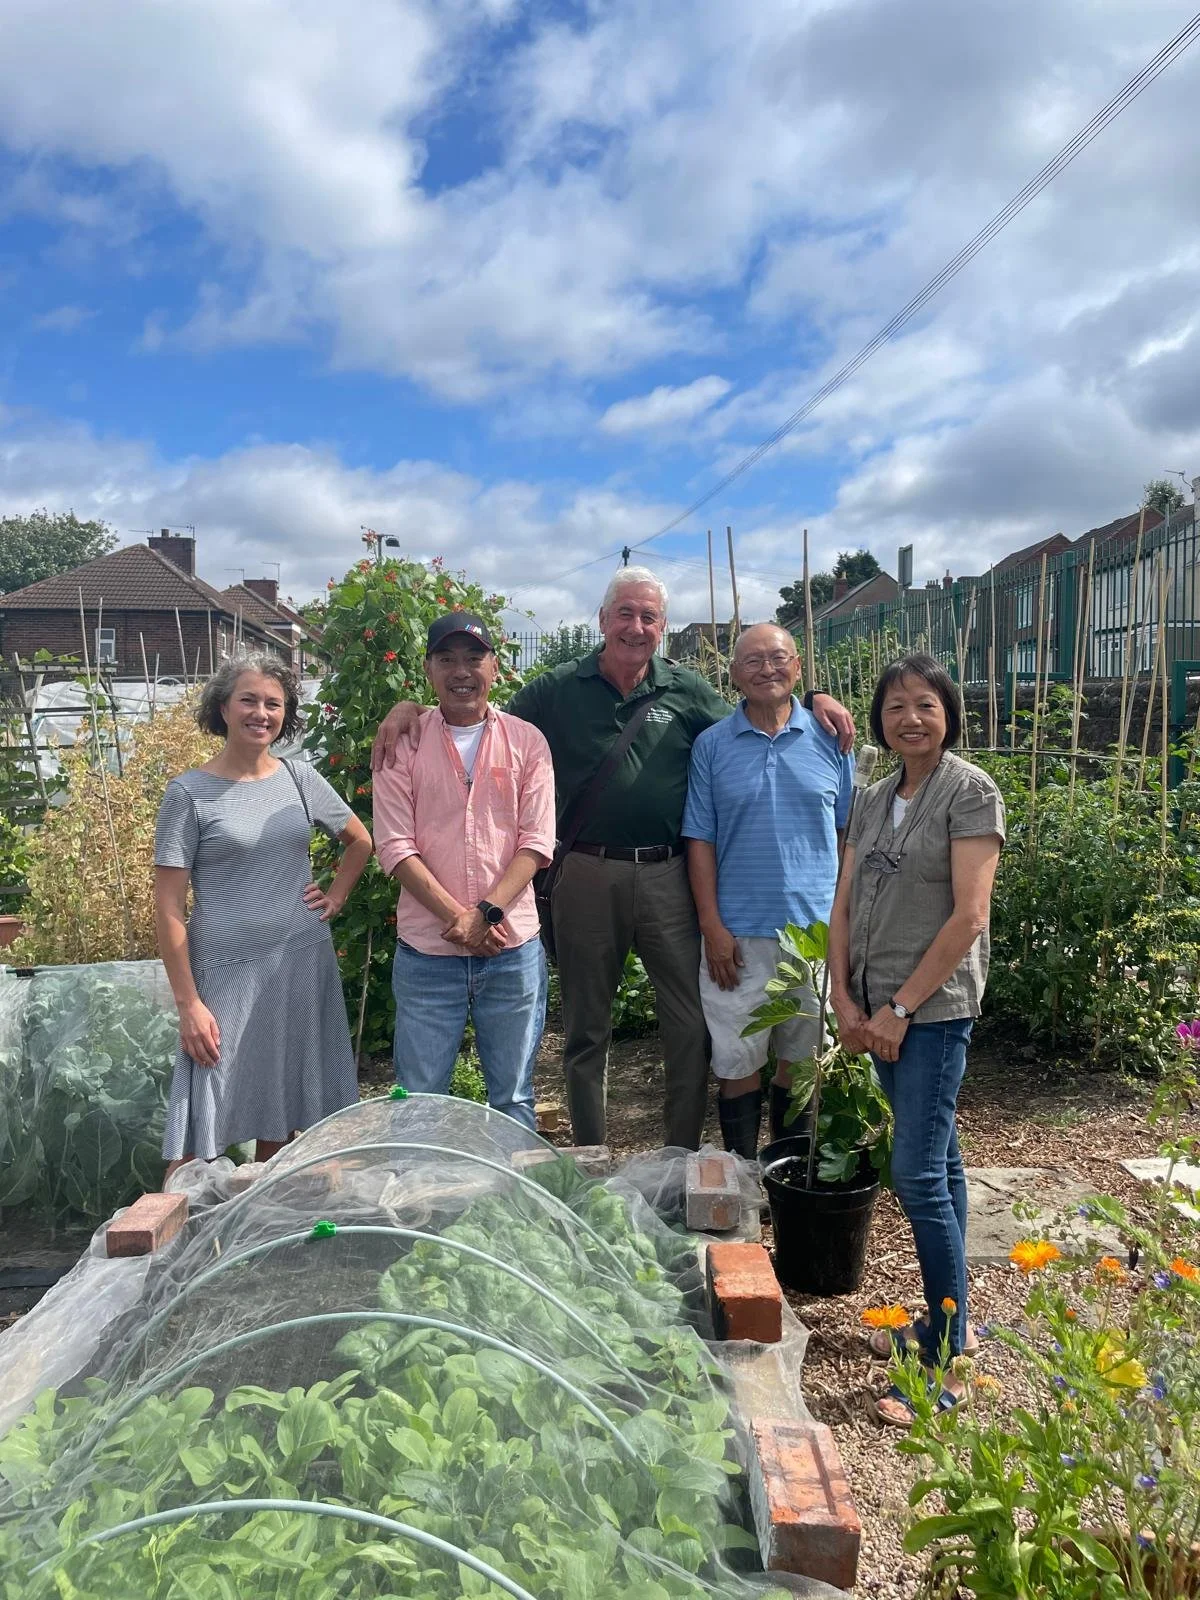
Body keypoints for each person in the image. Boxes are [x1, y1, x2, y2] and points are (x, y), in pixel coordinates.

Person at [373, 567, 854, 1151]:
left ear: (663, 627)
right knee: (585, 1027)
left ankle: (678, 1155)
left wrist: (812, 699)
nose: (635, 626)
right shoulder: (557, 690)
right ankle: (591, 1155)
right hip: (584, 876)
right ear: (602, 621)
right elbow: (480, 711)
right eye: (624, 613)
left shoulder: (686, 690)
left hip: (667, 874)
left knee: (688, 1022)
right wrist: (407, 708)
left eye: (648, 616)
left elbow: (754, 707)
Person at [827, 653, 1004, 1426]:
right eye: (896, 706)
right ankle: (950, 1324)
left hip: (930, 1010)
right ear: (880, 720)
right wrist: (842, 993)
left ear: (948, 713)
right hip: (874, 1004)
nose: (910, 719)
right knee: (941, 1158)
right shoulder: (871, 798)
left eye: (925, 705)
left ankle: (942, 1366)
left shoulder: (970, 793)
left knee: (918, 1175)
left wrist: (898, 1006)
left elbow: (969, 917)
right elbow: (843, 901)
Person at [155, 654, 373, 1176]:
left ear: (285, 714)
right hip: (223, 974)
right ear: (223, 708)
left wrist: (337, 895)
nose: (261, 713)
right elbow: (167, 907)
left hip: (299, 963)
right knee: (195, 1137)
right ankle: (175, 1245)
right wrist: (188, 1004)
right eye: (248, 700)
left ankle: (263, 1228)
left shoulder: (299, 778)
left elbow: (360, 841)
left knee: (285, 1112)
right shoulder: (188, 792)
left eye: (273, 704)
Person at [372, 612, 555, 1131]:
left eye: (474, 658)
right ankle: (415, 1208)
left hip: (511, 947)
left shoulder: (526, 742)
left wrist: (486, 913)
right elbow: (394, 844)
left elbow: (536, 842)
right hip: (429, 953)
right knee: (418, 1098)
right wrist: (460, 918)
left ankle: (511, 1210)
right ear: (429, 669)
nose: (461, 671)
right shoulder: (400, 741)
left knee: (514, 1096)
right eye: (447, 658)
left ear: (494, 667)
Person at [682, 623, 853, 1157]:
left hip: (814, 933)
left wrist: (843, 927)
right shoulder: (712, 746)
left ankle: (786, 1176)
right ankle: (741, 1177)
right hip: (738, 934)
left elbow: (848, 834)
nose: (766, 669)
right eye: (752, 661)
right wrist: (711, 925)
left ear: (798, 667)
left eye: (777, 658)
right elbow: (700, 840)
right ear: (734, 675)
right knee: (737, 1061)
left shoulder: (832, 741)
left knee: (801, 1061)